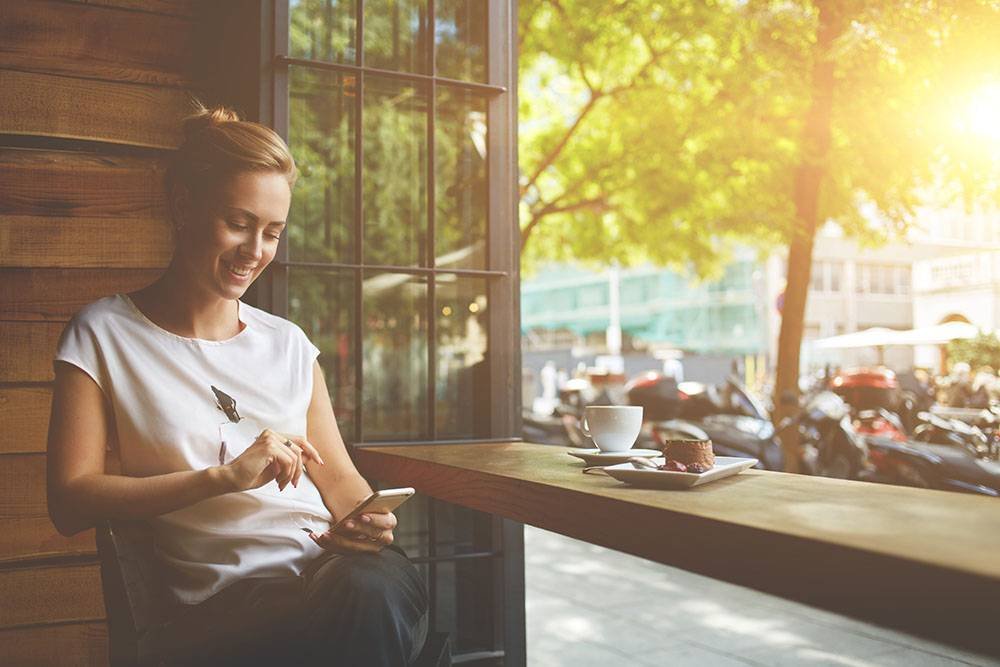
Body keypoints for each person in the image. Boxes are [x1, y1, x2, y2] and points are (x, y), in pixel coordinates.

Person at [46, 103, 428, 666]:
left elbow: (339, 477)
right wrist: (223, 478)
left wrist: (366, 523)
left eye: (273, 232)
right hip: (228, 606)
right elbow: (70, 500)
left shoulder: (289, 343)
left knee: (366, 592)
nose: (256, 251)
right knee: (355, 615)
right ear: (183, 206)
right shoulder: (104, 334)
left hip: (340, 577)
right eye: (239, 223)